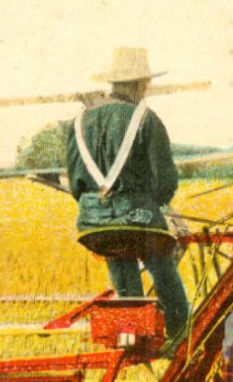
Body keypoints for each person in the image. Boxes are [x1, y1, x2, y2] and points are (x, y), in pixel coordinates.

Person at [64, 47, 192, 343]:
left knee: (116, 247)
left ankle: (132, 333)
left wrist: (101, 205)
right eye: (146, 85)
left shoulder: (79, 121)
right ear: (139, 84)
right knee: (161, 260)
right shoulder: (146, 119)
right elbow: (165, 183)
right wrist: (149, 201)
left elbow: (75, 182)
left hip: (92, 221)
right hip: (138, 218)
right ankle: (180, 333)